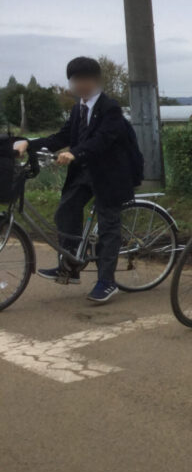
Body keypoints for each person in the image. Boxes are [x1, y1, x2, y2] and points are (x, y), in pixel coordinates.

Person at [14, 56, 138, 304]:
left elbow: (102, 139)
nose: (79, 85)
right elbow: (61, 136)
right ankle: (70, 267)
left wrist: (75, 152)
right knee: (65, 211)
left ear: (95, 81)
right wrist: (29, 143)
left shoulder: (109, 108)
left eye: (84, 80)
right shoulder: (78, 109)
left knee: (108, 226)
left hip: (112, 174)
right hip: (85, 171)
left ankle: (107, 281)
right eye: (74, 80)